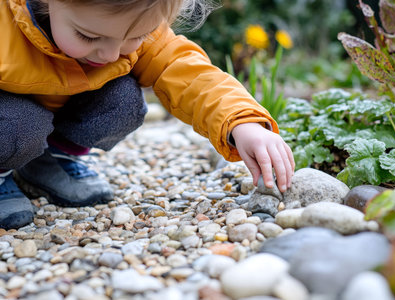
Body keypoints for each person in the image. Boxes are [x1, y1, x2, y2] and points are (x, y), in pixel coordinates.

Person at [0, 0, 295, 230]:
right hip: (11, 117)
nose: (112, 55)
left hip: (54, 117)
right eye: (88, 36)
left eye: (137, 37)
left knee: (124, 100)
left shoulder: (132, 24)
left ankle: (52, 159)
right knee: (16, 126)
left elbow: (187, 73)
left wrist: (241, 121)